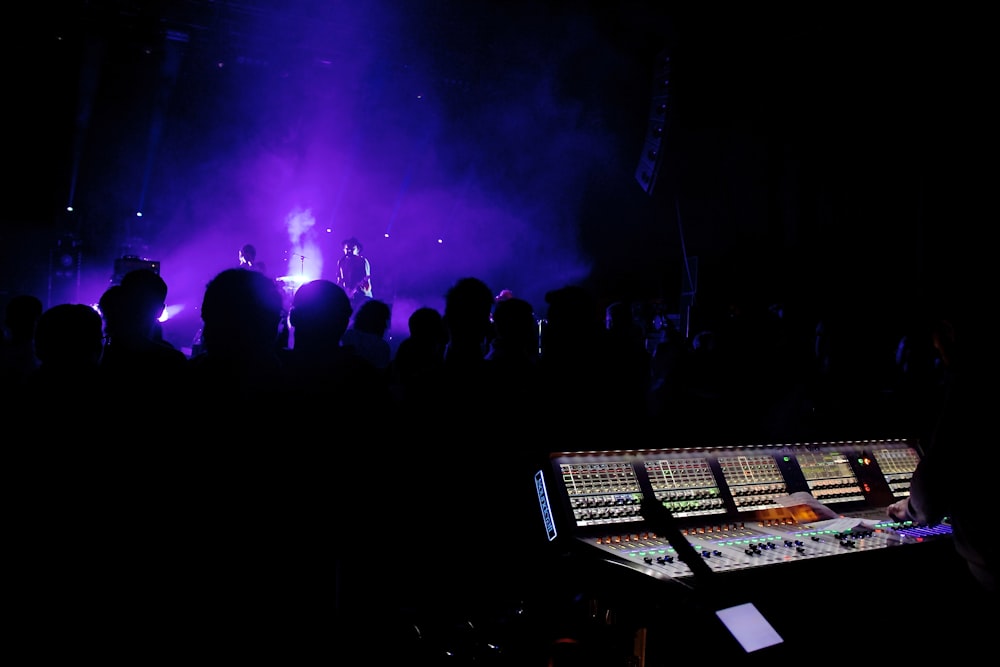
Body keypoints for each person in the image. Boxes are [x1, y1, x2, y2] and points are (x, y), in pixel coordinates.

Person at [336, 237, 372, 308]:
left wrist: (356, 289)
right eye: (347, 249)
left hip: (362, 296)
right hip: (347, 296)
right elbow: (339, 280)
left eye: (352, 249)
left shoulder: (362, 261)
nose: (349, 251)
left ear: (358, 250)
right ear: (343, 249)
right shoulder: (341, 262)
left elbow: (365, 281)